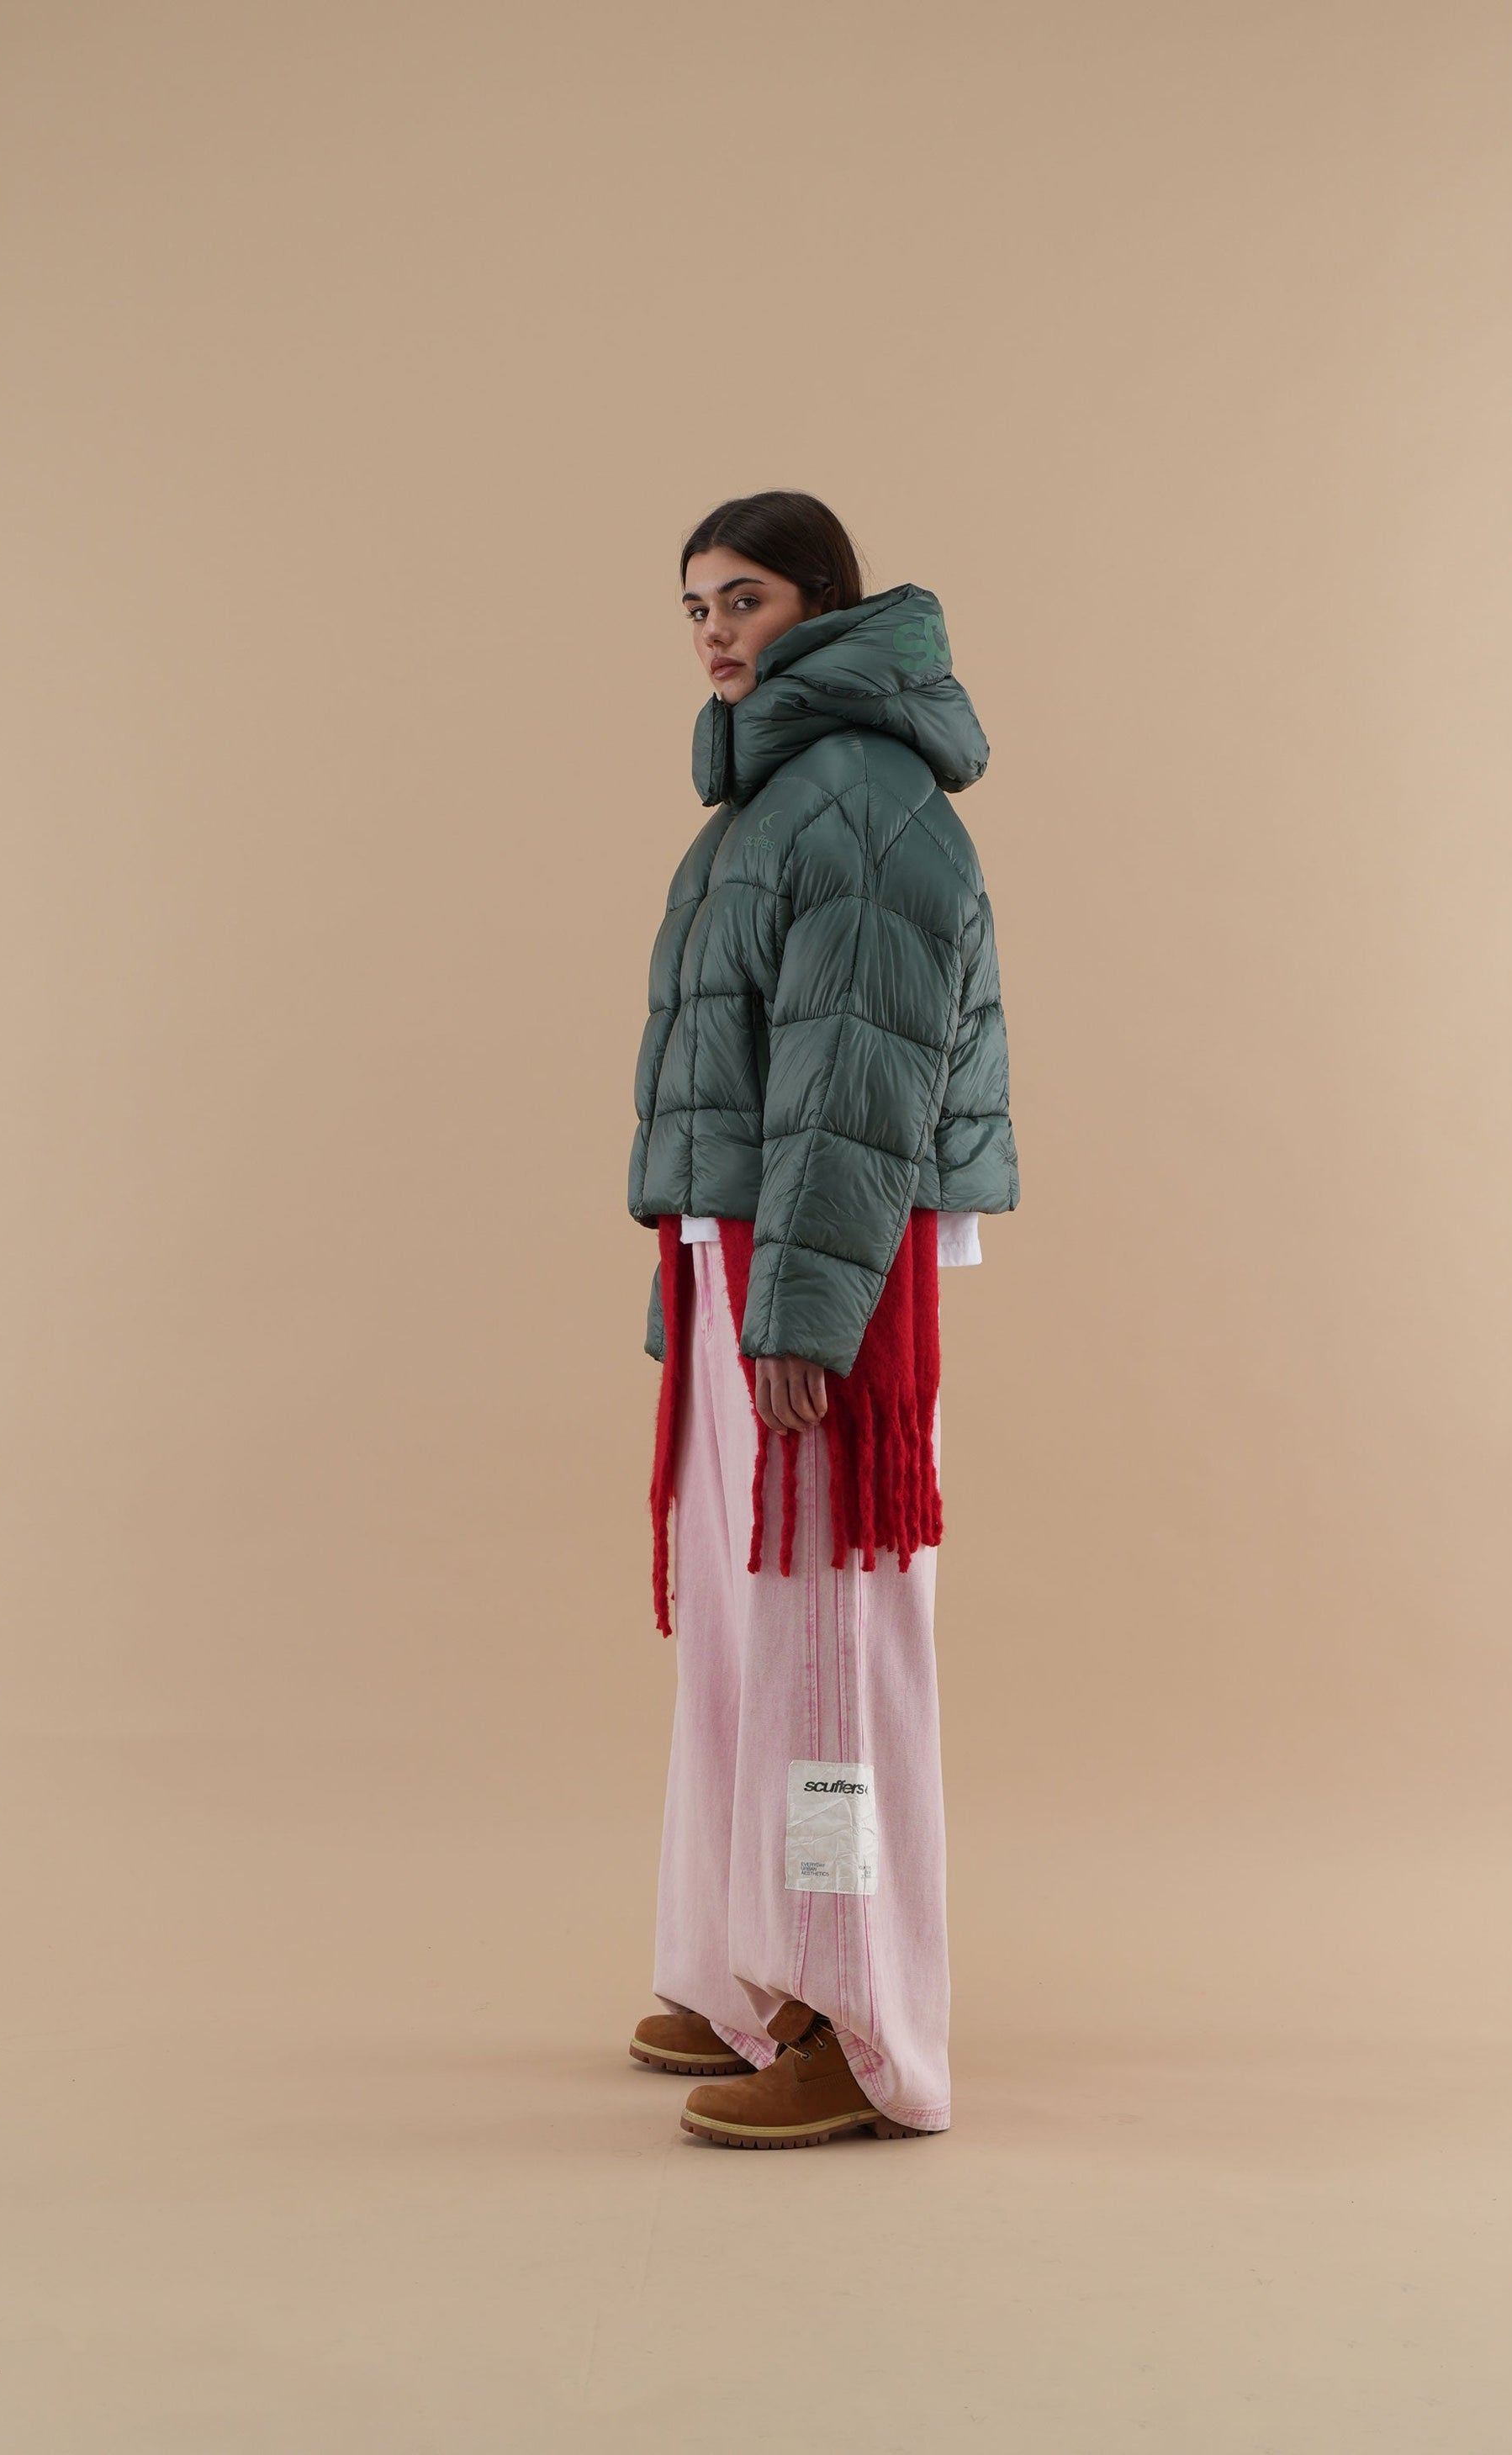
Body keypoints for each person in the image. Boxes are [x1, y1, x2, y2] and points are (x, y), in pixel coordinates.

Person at [625, 490, 1018, 2147]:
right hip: (743, 1256)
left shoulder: (857, 791)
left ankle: (859, 2032)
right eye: (694, 606)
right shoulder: (771, 795)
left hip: (815, 1275)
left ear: (822, 604)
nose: (713, 631)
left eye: (744, 598)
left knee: (823, 1652)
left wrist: (799, 1298)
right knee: (746, 1631)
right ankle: (755, 1971)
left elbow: (858, 1075)